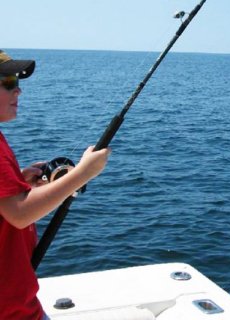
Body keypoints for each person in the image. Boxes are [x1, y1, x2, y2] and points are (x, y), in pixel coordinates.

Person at [0, 50, 111, 319]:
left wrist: (21, 184)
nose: (19, 92)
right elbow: (19, 214)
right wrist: (83, 173)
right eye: (9, 83)